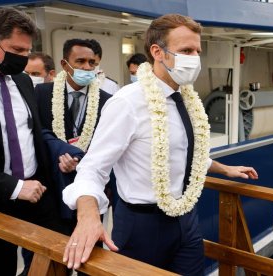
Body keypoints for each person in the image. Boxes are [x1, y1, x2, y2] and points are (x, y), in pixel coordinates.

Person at [62, 14, 258, 275]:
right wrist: (87, 217)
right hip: (142, 225)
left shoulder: (187, 99)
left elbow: (182, 153)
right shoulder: (127, 103)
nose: (195, 58)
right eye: (186, 50)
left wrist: (225, 170)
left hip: (187, 221)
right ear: (158, 52)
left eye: (197, 51)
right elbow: (92, 168)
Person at [0, 8, 61, 276]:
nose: (22, 58)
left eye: (26, 52)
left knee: (53, 262)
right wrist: (15, 187)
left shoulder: (22, 81)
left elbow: (35, 133)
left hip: (37, 191)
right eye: (15, 50)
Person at [35, 38, 112, 234]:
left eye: (92, 63)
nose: (87, 67)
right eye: (80, 61)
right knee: (53, 250)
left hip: (90, 188)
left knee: (90, 249)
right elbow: (38, 133)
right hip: (50, 187)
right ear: (64, 64)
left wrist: (81, 160)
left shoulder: (107, 101)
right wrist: (60, 153)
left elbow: (108, 144)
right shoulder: (42, 93)